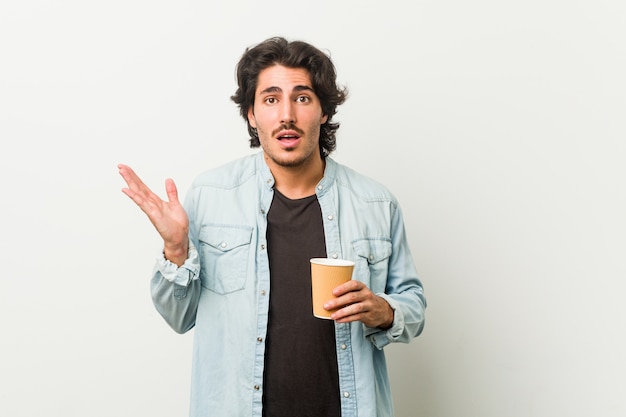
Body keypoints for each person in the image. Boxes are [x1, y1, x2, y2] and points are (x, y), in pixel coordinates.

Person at [118, 36, 426, 417]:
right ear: (251, 114)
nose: (286, 115)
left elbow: (413, 304)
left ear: (324, 111)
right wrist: (176, 252)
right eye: (270, 99)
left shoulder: (375, 203)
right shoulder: (211, 195)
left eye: (302, 97)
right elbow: (180, 318)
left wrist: (384, 310)